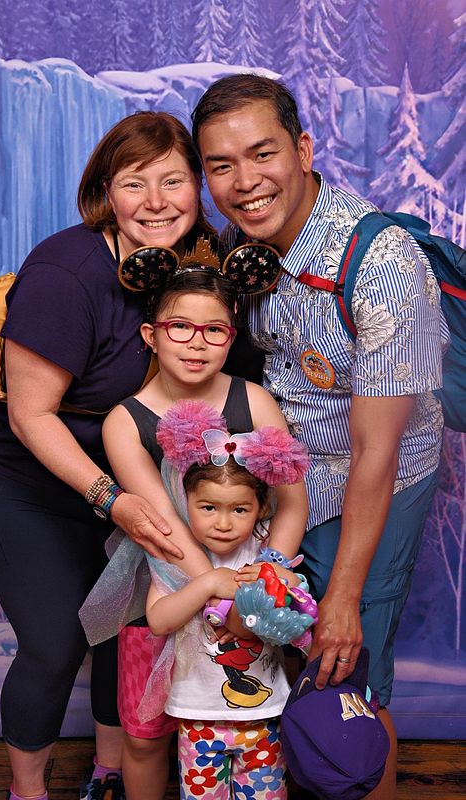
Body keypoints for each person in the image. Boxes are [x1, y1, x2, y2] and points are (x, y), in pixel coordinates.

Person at [0, 110, 225, 800]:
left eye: (173, 181)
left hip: (124, 473)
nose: (156, 202)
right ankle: (27, 790)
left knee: (124, 627)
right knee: (55, 639)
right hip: (19, 478)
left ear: (197, 188)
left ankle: (108, 773)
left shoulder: (198, 264)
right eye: (134, 183)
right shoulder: (65, 273)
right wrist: (111, 499)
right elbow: (29, 415)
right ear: (106, 192)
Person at [191, 74, 448, 798]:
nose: (244, 183)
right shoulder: (244, 248)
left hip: (373, 478)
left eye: (262, 154)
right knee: (279, 664)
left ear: (302, 150)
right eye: (220, 165)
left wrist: (342, 596)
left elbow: (377, 452)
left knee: (348, 680)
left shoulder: (382, 265)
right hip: (285, 479)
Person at [93, 261, 309, 800]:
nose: (196, 342)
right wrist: (217, 593)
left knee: (250, 718)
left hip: (250, 580)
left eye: (214, 329)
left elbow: (291, 500)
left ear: (231, 337)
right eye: (180, 327)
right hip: (164, 580)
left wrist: (264, 580)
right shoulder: (126, 421)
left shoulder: (253, 401)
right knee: (144, 735)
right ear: (151, 335)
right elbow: (161, 522)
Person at [144, 399, 312, 800]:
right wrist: (207, 584)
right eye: (208, 507)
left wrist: (281, 578)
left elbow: (299, 610)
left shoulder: (263, 555)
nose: (222, 523)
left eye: (239, 509)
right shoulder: (179, 560)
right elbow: (158, 620)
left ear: (260, 508)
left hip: (265, 716)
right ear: (185, 501)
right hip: (198, 719)